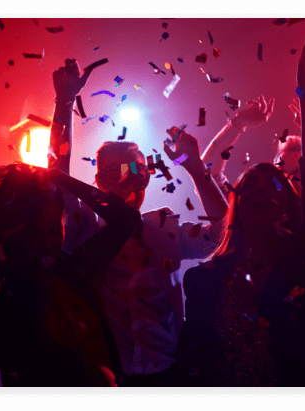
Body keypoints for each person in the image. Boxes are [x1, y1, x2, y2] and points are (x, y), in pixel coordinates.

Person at [172, 37, 305, 386]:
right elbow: (192, 363)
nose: (262, 190)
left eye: (274, 185)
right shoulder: (204, 280)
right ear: (236, 205)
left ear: (288, 203)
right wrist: (233, 127)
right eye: (251, 185)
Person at [47, 59, 228, 386]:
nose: (127, 183)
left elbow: (220, 236)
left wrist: (194, 165)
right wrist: (65, 101)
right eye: (115, 173)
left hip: (171, 376)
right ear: (99, 180)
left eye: (137, 172)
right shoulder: (85, 230)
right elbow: (56, 179)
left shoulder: (163, 230)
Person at [0, 163, 141, 386]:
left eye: (54, 230)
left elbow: (126, 219)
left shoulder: (76, 271)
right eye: (34, 233)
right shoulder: (3, 311)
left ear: (64, 222)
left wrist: (60, 178)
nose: (47, 243)